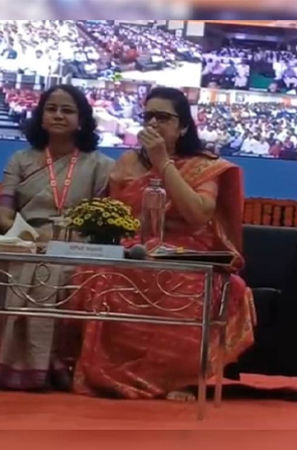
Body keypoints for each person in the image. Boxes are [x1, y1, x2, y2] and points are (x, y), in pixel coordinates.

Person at [66, 87, 256, 401]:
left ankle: (177, 380)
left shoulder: (205, 166)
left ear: (183, 126)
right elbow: (118, 216)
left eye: (163, 117)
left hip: (187, 253)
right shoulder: (128, 162)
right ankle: (102, 373)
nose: (153, 123)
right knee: (96, 274)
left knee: (184, 284)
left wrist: (163, 163)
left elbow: (197, 214)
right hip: (134, 250)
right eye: (148, 116)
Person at [0, 84, 114, 390]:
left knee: (52, 269)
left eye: (67, 110)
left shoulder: (101, 165)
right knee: (30, 266)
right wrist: (29, 237)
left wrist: (65, 241)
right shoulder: (20, 160)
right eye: (51, 109)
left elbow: (102, 222)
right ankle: (39, 363)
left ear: (82, 119)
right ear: (40, 116)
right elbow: (3, 215)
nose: (58, 115)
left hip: (79, 247)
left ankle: (53, 361)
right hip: (26, 242)